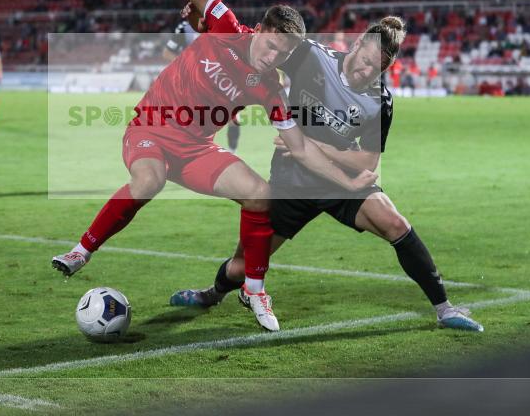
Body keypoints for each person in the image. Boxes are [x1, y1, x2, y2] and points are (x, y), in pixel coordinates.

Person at [51, 0, 377, 331]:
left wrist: (348, 182)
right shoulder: (225, 26)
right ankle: (81, 251)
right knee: (148, 181)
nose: (273, 59)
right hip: (151, 128)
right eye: (271, 47)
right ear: (258, 30)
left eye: (283, 55)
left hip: (194, 149)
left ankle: (253, 289)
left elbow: (301, 148)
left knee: (260, 194)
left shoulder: (270, 89)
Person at [169, 17, 484, 332]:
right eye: (364, 62)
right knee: (242, 266)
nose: (366, 72)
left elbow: (367, 162)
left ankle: (445, 309)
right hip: (292, 180)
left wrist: (313, 144)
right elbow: (259, 39)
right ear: (356, 44)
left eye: (376, 69)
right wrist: (202, 21)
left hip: (339, 181)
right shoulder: (311, 56)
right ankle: (210, 295)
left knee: (395, 223)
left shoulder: (380, 101)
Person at [162, 6, 243, 154]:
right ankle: (188, 152)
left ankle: (233, 152)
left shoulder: (220, 26)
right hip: (193, 81)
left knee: (234, 117)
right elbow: (167, 53)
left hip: (219, 77)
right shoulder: (184, 28)